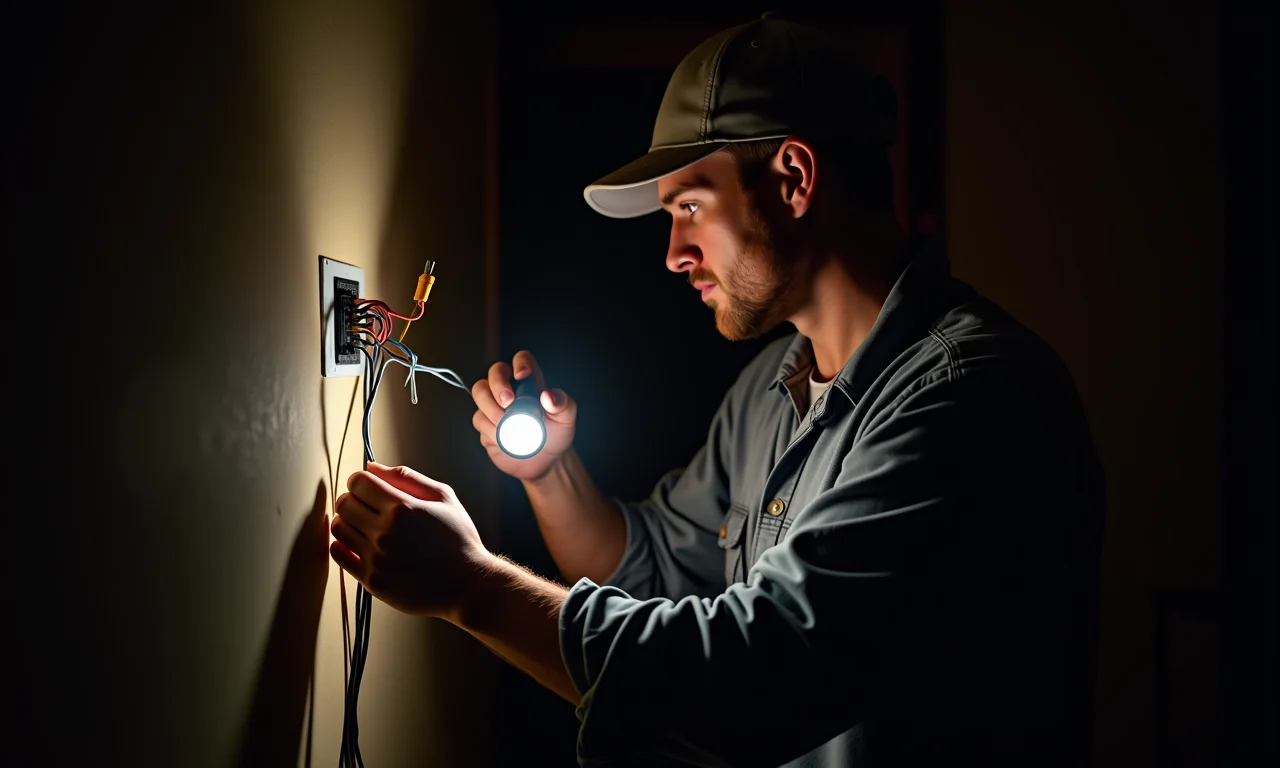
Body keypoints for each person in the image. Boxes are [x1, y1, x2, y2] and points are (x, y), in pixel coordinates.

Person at [329, 14, 1106, 767]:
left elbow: (750, 686)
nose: (673, 254)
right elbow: (652, 572)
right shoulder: (771, 388)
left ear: (795, 179)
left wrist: (473, 588)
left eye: (690, 207)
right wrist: (549, 472)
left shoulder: (971, 400)